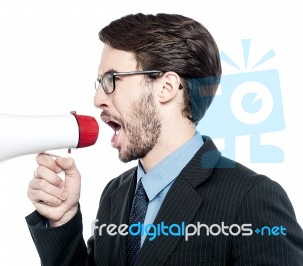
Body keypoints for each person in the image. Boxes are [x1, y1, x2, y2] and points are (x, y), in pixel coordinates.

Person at [25, 13, 303, 265]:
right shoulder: (115, 195)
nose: (98, 99)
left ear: (167, 87)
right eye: (99, 84)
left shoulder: (250, 199)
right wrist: (63, 218)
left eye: (111, 80)